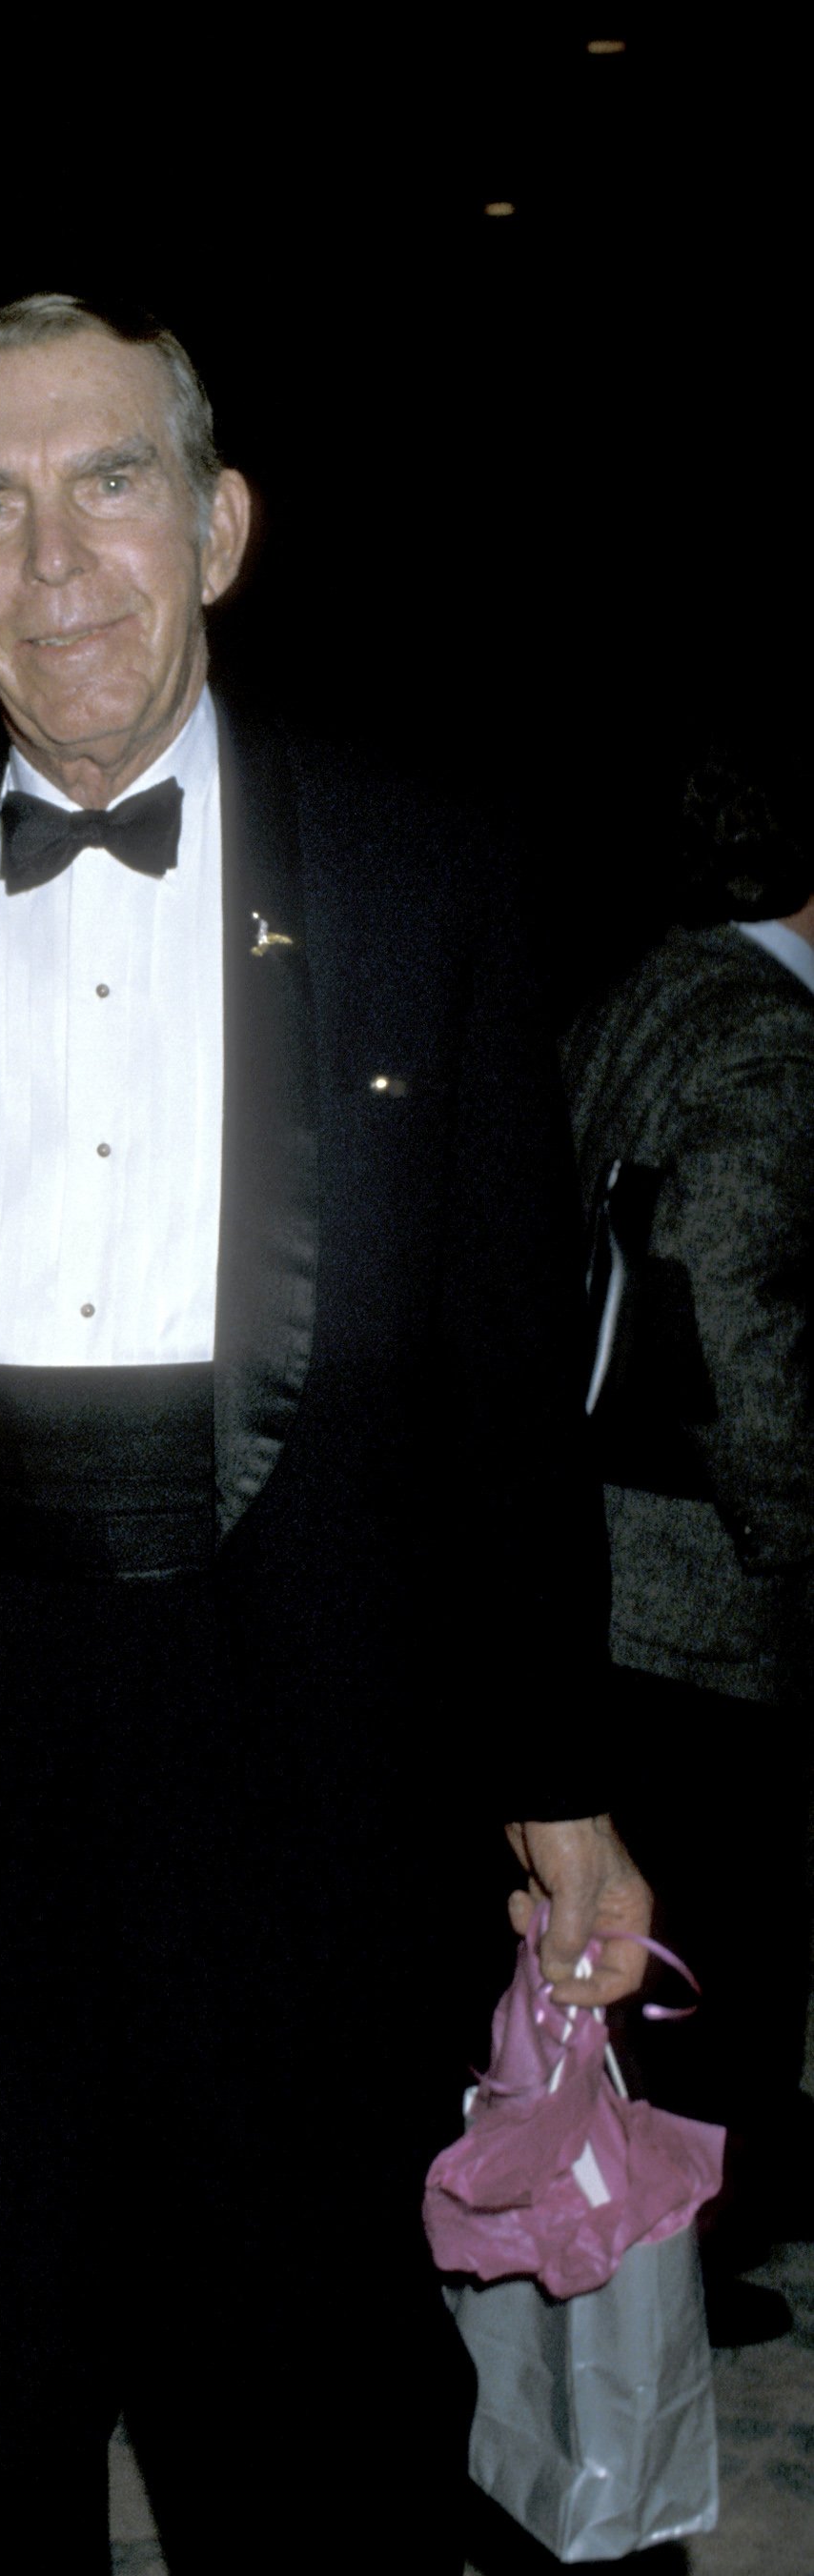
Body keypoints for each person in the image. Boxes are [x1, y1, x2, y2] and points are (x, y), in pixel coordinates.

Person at [0, 295, 654, 2576]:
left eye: (106, 483)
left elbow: (493, 1350)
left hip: (316, 1714)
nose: (58, 560)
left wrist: (552, 1772)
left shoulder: (422, 858)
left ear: (216, 525)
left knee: (319, 2390)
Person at [566, 739, 814, 2345]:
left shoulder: (637, 993)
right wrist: (795, 1522)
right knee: (711, 1940)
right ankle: (685, 2262)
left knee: (626, 1935)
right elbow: (731, 1314)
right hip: (698, 1575)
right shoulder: (771, 1043)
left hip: (590, 1546)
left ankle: (633, 2230)